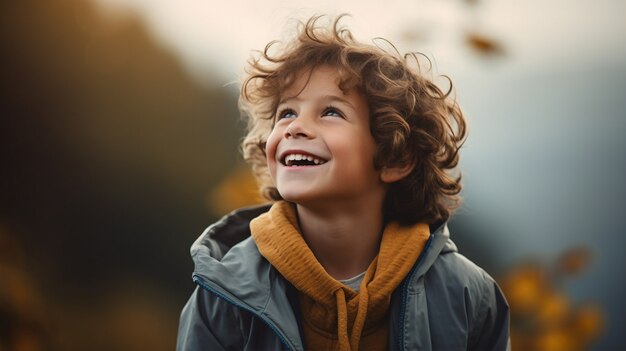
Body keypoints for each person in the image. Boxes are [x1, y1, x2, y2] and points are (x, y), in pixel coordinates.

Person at [177, 14, 510, 351]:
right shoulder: (224, 294)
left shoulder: (469, 297)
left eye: (331, 112)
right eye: (287, 113)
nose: (295, 127)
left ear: (395, 158)